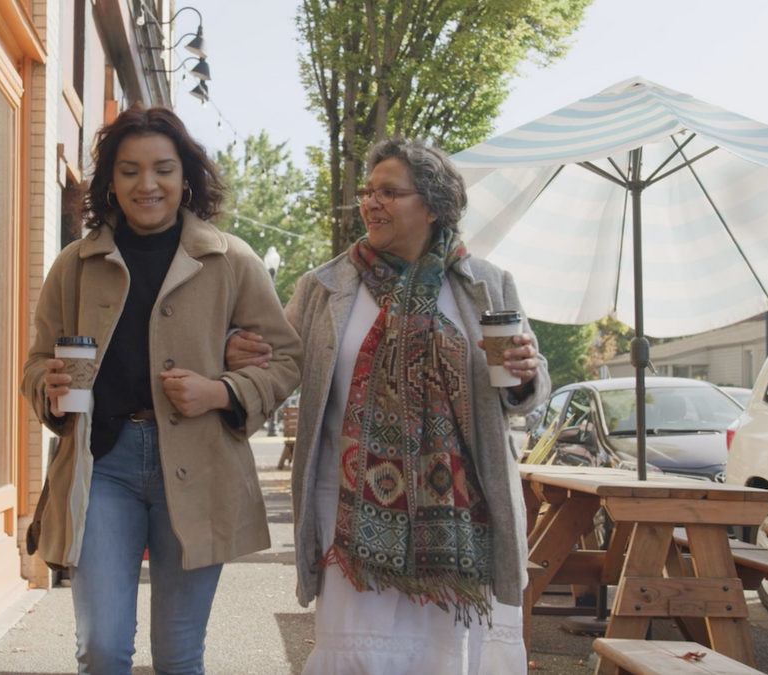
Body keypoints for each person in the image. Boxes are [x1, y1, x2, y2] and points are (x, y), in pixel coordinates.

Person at [230, 138, 550, 674]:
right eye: (366, 191)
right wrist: (241, 360)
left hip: (461, 518)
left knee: (444, 658)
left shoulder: (486, 285)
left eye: (389, 192)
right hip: (349, 514)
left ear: (432, 206)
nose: (370, 203)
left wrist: (525, 374)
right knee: (359, 653)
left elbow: (523, 393)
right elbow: (278, 366)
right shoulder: (323, 288)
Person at [21, 105, 302, 675]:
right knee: (101, 647)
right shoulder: (74, 266)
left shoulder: (232, 260)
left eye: (163, 169)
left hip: (201, 468)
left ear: (186, 176)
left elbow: (288, 358)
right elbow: (34, 364)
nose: (147, 184)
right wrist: (45, 385)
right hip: (104, 467)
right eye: (129, 170)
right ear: (110, 181)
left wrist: (222, 391)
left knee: (178, 653)